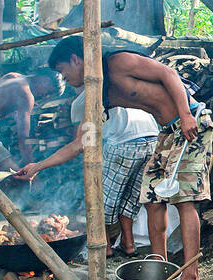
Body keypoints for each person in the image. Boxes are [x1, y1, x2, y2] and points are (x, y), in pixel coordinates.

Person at [47, 36, 213, 280]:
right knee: (152, 199)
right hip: (167, 133)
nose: (63, 78)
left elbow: (168, 74)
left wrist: (186, 114)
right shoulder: (96, 93)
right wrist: (38, 166)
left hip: (192, 124)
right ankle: (162, 270)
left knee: (184, 199)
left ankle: (192, 277)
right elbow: (81, 143)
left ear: (75, 59)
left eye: (62, 71)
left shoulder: (117, 62)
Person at [13, 98, 160, 257]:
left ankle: (106, 248)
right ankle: (129, 245)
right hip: (152, 139)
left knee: (98, 196)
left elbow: (79, 145)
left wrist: (37, 167)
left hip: (123, 143)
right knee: (129, 198)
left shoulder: (84, 101)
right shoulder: (113, 86)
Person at [0, 69, 64, 172]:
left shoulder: (13, 76)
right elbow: (23, 138)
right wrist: (31, 169)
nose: (46, 96)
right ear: (45, 80)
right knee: (15, 177)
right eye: (49, 91)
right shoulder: (26, 95)